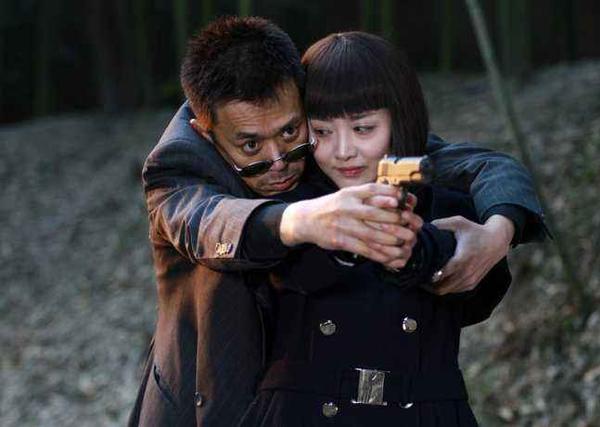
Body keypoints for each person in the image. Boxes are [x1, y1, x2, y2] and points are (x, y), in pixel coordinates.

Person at [128, 17, 548, 427]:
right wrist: (301, 220)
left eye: (291, 132)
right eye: (251, 145)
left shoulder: (341, 149)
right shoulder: (181, 164)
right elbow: (207, 222)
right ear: (207, 132)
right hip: (212, 396)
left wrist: (498, 232)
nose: (278, 161)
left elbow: (479, 165)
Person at [237, 31, 513, 427]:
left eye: (363, 129)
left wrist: (422, 251)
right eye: (322, 131)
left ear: (399, 120)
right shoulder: (288, 202)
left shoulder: (449, 203)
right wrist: (344, 233)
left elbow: (479, 298)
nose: (343, 150)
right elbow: (289, 272)